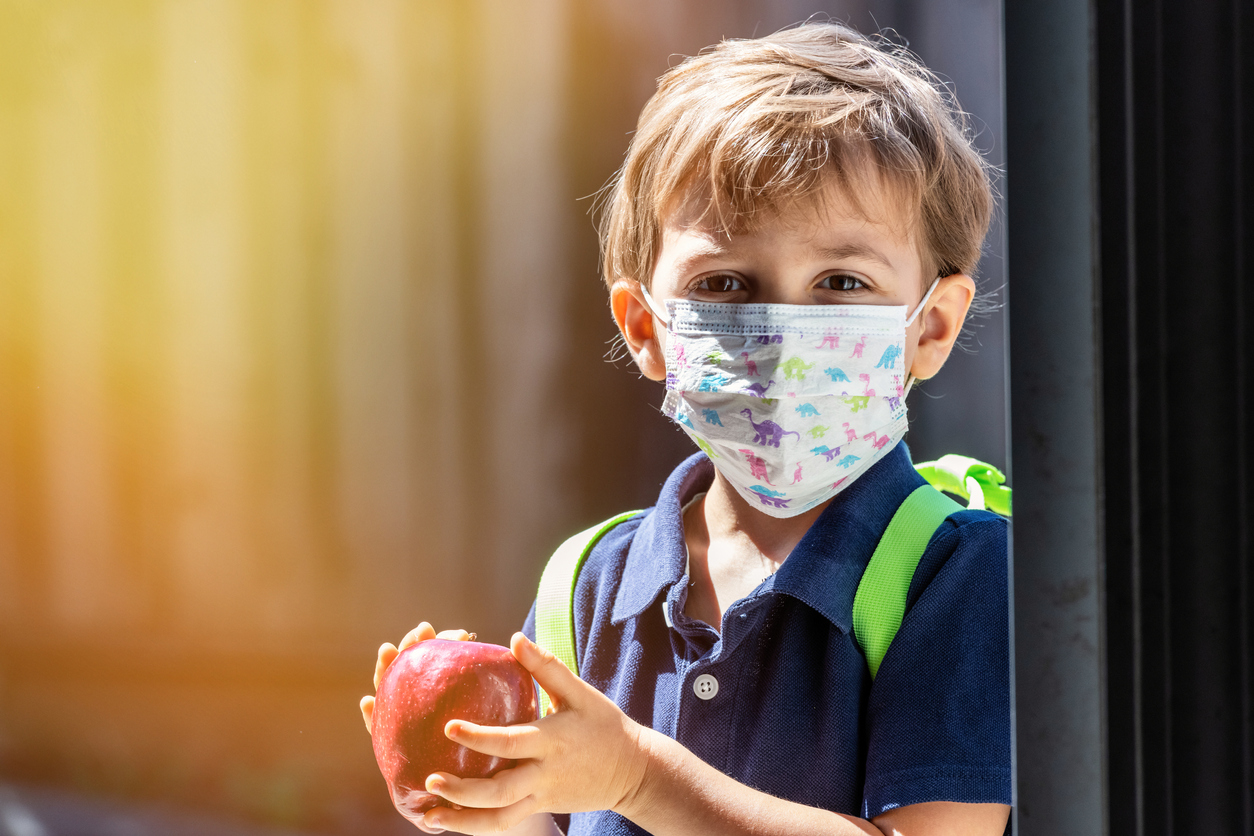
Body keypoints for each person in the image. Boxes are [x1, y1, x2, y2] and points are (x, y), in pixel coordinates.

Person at [361, 21, 1010, 836]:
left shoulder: (959, 574)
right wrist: (487, 803)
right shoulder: (586, 585)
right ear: (647, 328)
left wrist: (637, 775)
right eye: (726, 283)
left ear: (931, 329)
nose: (778, 330)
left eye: (841, 281)